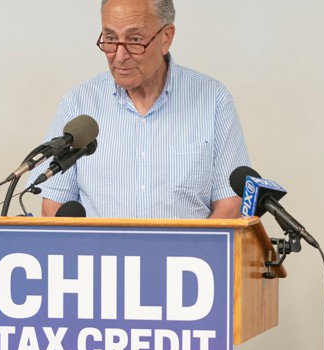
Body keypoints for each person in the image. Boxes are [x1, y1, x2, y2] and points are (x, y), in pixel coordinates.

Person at [29, 0, 250, 219]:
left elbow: (230, 205)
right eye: (111, 39)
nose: (120, 56)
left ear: (166, 38)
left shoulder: (213, 100)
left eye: (135, 40)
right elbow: (54, 207)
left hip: (187, 254)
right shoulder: (78, 104)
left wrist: (188, 254)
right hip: (99, 253)